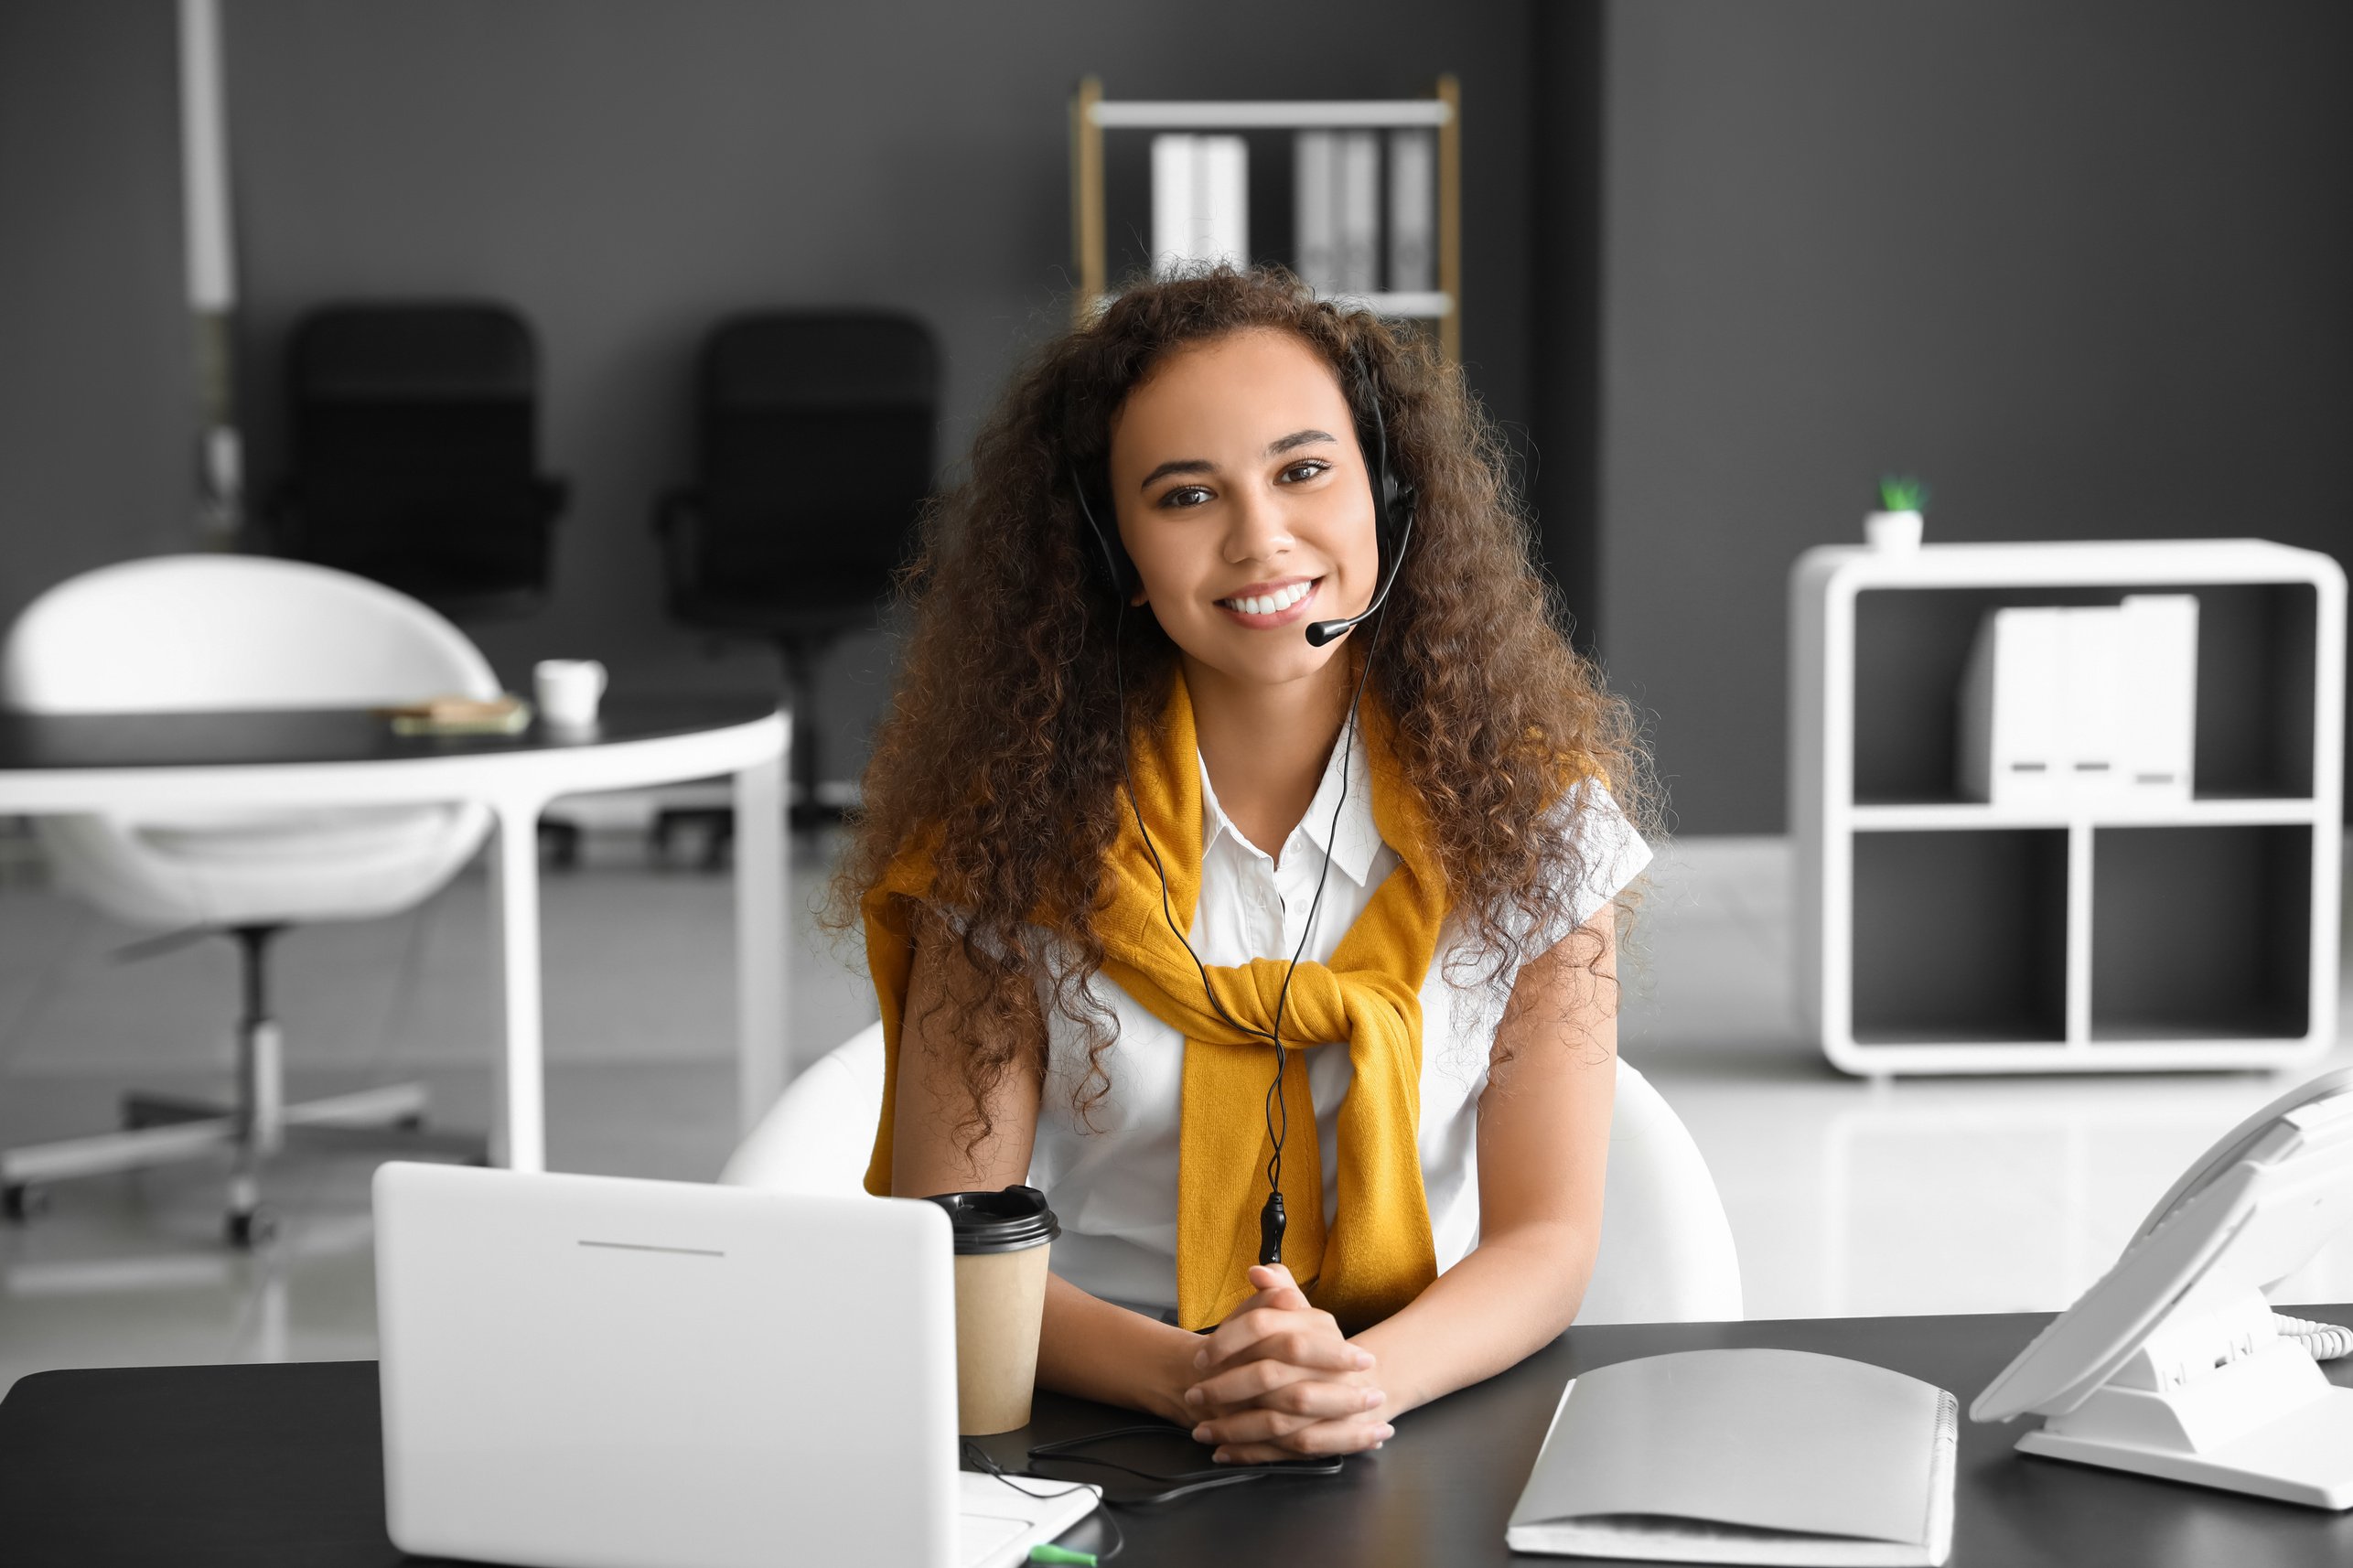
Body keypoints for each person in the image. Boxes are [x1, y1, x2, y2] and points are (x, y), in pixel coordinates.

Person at [832, 266, 1653, 1465]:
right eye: (1185, 495)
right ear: (1113, 550)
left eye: (1304, 469)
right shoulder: (999, 843)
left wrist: (1354, 1381)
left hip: (1418, 1400)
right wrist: (1201, 1377)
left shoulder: (1536, 824)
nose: (1260, 536)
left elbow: (1548, 1240)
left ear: (1389, 490)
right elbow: (950, 1241)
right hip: (1102, 1421)